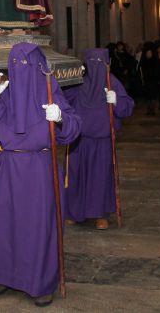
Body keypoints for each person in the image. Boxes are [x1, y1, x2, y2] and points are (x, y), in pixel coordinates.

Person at [0, 42, 81, 307]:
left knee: (37, 226)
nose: (19, 71)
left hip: (38, 168)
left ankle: (40, 281)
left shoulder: (49, 89)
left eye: (25, 65)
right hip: (8, 167)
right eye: (14, 65)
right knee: (5, 223)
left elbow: (75, 127)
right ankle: (4, 274)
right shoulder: (6, 92)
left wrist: (61, 119)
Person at [63, 48, 134, 229]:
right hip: (79, 140)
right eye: (92, 62)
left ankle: (100, 214)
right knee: (76, 176)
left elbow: (127, 106)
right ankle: (75, 212)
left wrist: (116, 100)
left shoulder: (112, 82)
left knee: (99, 177)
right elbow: (63, 100)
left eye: (100, 62)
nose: (97, 66)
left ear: (107, 64)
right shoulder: (79, 83)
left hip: (102, 141)